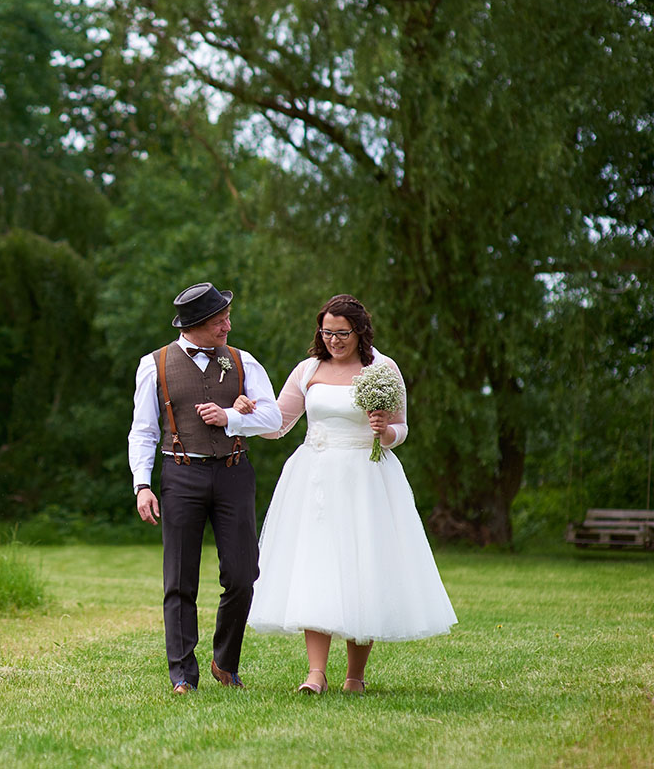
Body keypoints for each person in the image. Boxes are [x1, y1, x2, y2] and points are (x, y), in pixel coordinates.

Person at [236, 294, 456, 695]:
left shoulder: (383, 369)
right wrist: (247, 412)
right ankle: (315, 674)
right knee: (315, 566)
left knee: (363, 566)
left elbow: (402, 429)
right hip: (315, 477)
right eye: (327, 332)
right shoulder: (308, 370)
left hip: (365, 477)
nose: (334, 340)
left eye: (342, 333)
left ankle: (355, 675)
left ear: (359, 332)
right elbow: (277, 426)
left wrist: (385, 431)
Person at [129, 282, 283, 694]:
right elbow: (143, 432)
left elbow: (273, 419)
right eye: (220, 321)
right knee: (180, 579)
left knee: (243, 573)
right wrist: (142, 485)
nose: (228, 326)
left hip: (234, 472)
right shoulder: (154, 365)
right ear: (195, 325)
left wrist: (231, 416)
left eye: (227, 318)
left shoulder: (243, 361)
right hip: (180, 474)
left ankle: (224, 661)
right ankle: (182, 675)